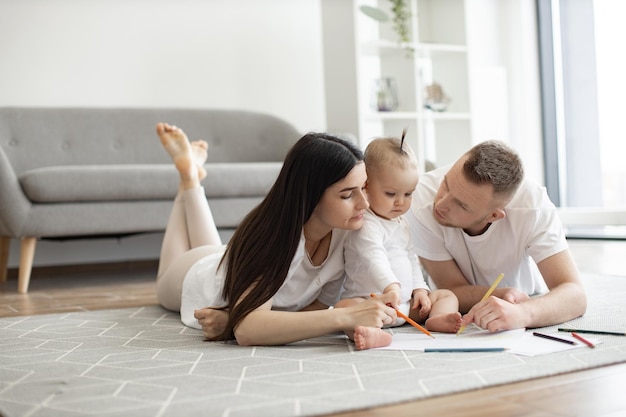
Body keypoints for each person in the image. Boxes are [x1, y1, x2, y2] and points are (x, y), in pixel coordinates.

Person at [154, 122, 399, 346]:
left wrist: (238, 319)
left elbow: (314, 310)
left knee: (223, 259)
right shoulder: (272, 239)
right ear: (310, 197)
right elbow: (248, 331)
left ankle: (192, 178)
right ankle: (187, 180)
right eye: (347, 195)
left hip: (229, 262)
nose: (364, 204)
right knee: (164, 278)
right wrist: (343, 316)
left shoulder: (348, 231)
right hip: (196, 274)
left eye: (364, 188)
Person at [405, 140, 587, 332]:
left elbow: (575, 294)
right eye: (446, 184)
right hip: (453, 308)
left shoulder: (532, 207)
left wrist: (523, 314)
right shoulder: (419, 200)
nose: (441, 204)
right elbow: (452, 287)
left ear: (494, 216)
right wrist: (501, 294)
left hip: (527, 298)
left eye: (462, 205)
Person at [336, 136, 461, 350]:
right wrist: (391, 287)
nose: (400, 201)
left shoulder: (400, 223)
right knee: (344, 308)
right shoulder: (366, 223)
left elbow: (411, 259)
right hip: (370, 302)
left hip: (403, 305)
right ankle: (372, 334)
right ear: (366, 187)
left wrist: (419, 289)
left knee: (446, 295)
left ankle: (437, 318)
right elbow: (373, 257)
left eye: (408, 194)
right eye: (390, 193)